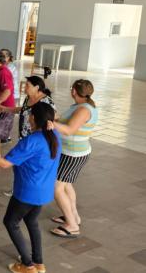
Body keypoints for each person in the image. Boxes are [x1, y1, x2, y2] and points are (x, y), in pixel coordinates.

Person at [0, 102, 61, 273]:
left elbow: (4, 163)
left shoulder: (31, 141)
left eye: (30, 115)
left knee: (10, 222)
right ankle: (39, 262)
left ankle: (28, 265)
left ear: (33, 118)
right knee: (32, 221)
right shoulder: (55, 136)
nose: (28, 117)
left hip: (27, 192)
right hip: (44, 192)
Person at [49, 79, 98, 239]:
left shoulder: (84, 109)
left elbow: (69, 130)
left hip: (73, 154)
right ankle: (74, 216)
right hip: (71, 152)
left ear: (74, 91)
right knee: (66, 184)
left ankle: (72, 225)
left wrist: (52, 123)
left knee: (56, 188)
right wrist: (56, 120)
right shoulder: (79, 106)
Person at [0, 76, 55, 140]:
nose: (24, 87)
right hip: (23, 136)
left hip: (36, 138)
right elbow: (24, 109)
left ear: (36, 88)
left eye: (27, 85)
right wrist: (4, 109)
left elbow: (53, 119)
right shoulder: (28, 97)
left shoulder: (46, 101)